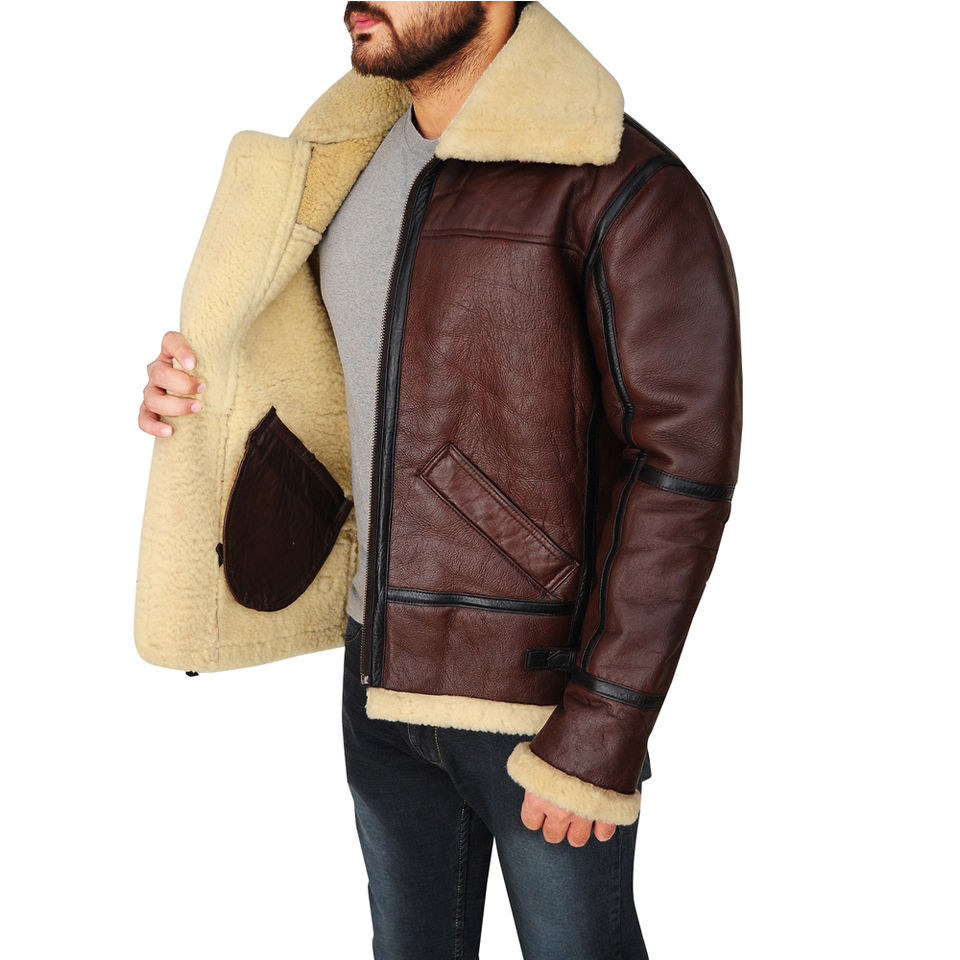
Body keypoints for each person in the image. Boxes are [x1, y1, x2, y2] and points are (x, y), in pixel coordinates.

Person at [135, 2, 742, 957]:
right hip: (377, 669)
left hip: (536, 700)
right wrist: (202, 392)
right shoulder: (345, 163)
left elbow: (682, 467)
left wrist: (602, 728)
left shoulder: (620, 183)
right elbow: (329, 383)